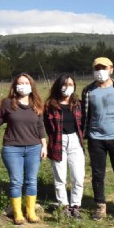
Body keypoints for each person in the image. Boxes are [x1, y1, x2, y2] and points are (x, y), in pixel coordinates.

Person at [81, 57, 114, 222]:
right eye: (97, 68)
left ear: (112, 69)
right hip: (96, 139)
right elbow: (85, 115)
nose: (100, 71)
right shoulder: (88, 91)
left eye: (103, 68)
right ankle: (100, 206)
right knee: (97, 174)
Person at [0, 73, 47, 225]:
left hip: (34, 147)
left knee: (31, 181)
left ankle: (30, 212)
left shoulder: (37, 103)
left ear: (31, 85)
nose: (23, 85)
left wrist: (44, 145)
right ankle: (18, 214)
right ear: (15, 86)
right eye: (20, 83)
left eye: (26, 82)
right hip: (12, 149)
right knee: (16, 181)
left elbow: (40, 127)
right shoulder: (7, 103)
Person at [44, 74, 85, 219]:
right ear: (58, 86)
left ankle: (75, 206)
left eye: (70, 84)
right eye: (64, 84)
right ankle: (64, 206)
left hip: (75, 141)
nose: (67, 87)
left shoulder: (78, 104)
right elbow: (47, 126)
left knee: (78, 177)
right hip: (57, 142)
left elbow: (83, 124)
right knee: (60, 178)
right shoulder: (50, 106)